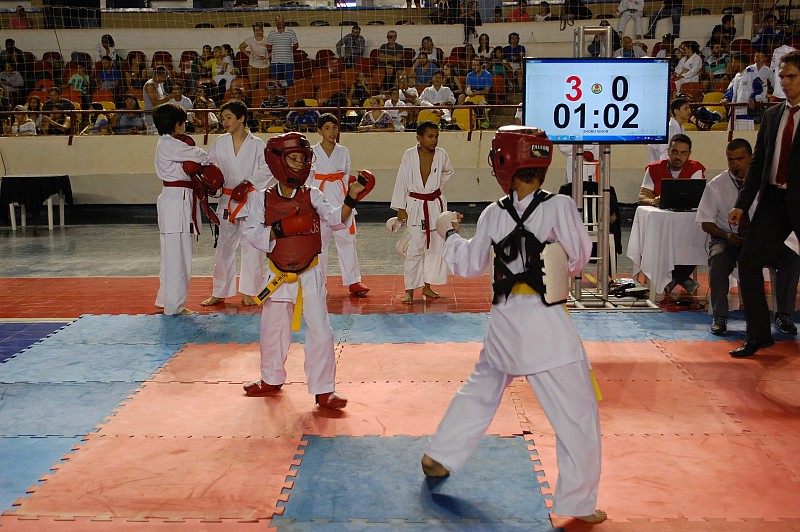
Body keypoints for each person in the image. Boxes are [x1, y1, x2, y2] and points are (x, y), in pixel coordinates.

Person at [421, 125, 605, 525]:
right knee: (577, 414)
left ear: (505, 163)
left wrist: (448, 233)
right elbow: (579, 258)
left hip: (504, 322)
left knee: (482, 389)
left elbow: (470, 263)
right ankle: (578, 503)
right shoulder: (559, 206)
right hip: (546, 325)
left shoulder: (493, 213)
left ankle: (439, 455)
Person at [238, 131, 373, 409]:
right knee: (272, 330)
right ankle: (270, 378)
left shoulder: (313, 195)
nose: (300, 164)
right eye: (294, 158)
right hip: (277, 275)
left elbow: (335, 219)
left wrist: (351, 198)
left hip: (309, 274)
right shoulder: (261, 199)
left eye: (303, 158)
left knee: (321, 331)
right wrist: (279, 229)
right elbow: (251, 233)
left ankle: (324, 390)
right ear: (278, 161)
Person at [727, 50, 800, 358]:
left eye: (791, 76)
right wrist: (742, 204)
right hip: (774, 199)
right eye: (782, 76)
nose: (785, 82)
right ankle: (758, 335)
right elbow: (758, 164)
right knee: (748, 261)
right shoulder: (773, 115)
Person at [697, 138, 800, 336]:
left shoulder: (767, 184)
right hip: (728, 238)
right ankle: (720, 315)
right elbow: (705, 222)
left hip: (761, 239)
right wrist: (726, 235)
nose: (734, 164)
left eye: (740, 159)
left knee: (791, 258)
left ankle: (784, 315)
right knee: (718, 258)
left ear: (751, 159)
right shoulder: (716, 185)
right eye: (730, 159)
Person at [200, 99, 272, 308]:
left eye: (229, 117)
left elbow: (267, 168)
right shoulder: (220, 143)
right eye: (222, 118)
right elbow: (209, 166)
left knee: (252, 248)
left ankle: (250, 291)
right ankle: (220, 292)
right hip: (228, 200)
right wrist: (209, 183)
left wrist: (249, 183)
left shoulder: (257, 144)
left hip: (250, 200)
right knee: (224, 248)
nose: (224, 122)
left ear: (241, 118)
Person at [152, 102, 211, 316]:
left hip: (173, 199)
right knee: (179, 257)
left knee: (170, 256)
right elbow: (202, 156)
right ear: (177, 125)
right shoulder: (172, 145)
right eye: (184, 122)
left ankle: (165, 300)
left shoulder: (165, 143)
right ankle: (174, 306)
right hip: (177, 201)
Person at [391, 121, 454, 304]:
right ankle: (410, 290)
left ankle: (427, 286)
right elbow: (401, 180)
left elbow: (448, 171)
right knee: (414, 248)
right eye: (430, 136)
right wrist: (401, 208)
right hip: (416, 205)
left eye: (436, 136)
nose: (434, 140)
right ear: (419, 138)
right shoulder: (409, 155)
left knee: (435, 247)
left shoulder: (441, 154)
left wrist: (435, 187)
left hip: (435, 205)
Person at [307, 113, 370, 296]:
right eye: (327, 128)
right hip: (319, 200)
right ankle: (319, 281)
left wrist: (350, 197)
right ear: (319, 131)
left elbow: (346, 176)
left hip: (342, 200)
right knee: (320, 244)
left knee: (347, 240)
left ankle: (354, 280)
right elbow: (308, 178)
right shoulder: (311, 152)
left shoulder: (343, 151)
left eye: (334, 128)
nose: (332, 132)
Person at [639, 133, 706, 295]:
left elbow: (698, 195)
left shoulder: (696, 168)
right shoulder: (654, 168)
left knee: (698, 237)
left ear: (689, 154)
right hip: (662, 225)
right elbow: (642, 196)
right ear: (668, 151)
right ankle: (683, 278)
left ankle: (674, 278)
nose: (678, 157)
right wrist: (653, 201)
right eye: (675, 152)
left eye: (683, 153)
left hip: (687, 224)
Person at [648, 97, 690, 163]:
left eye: (689, 108)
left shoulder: (681, 128)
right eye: (686, 109)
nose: (689, 111)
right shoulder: (668, 128)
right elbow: (659, 150)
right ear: (676, 111)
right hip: (663, 164)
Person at [144, 65, 180, 135]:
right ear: (158, 75)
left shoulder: (159, 85)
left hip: (159, 118)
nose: (166, 79)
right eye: (165, 76)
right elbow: (155, 103)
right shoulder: (150, 85)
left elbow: (161, 97)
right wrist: (169, 97)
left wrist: (168, 96)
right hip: (152, 120)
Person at [267, 15, 299, 87]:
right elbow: (268, 45)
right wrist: (274, 52)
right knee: (274, 81)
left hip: (288, 61)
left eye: (281, 21)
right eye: (278, 22)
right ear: (275, 22)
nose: (280, 23)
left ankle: (290, 93)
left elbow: (296, 44)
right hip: (275, 61)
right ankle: (275, 93)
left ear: (284, 22)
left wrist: (290, 50)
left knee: (290, 81)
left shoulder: (291, 32)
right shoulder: (272, 33)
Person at [240, 23, 270, 89]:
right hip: (253, 65)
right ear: (254, 32)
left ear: (262, 31)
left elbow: (275, 49)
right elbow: (241, 47)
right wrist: (248, 55)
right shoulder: (250, 40)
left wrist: (267, 56)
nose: (258, 32)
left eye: (259, 30)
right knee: (253, 85)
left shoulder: (267, 40)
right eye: (256, 30)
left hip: (264, 65)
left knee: (263, 85)